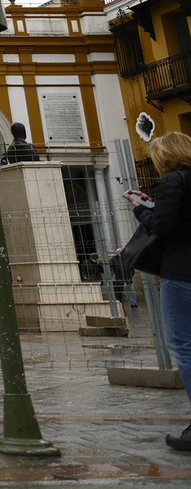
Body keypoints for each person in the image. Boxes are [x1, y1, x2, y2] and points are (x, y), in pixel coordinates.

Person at [129, 130, 191, 451]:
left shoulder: (172, 180)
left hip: (182, 274)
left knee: (183, 346)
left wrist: (140, 208)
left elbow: (164, 226)